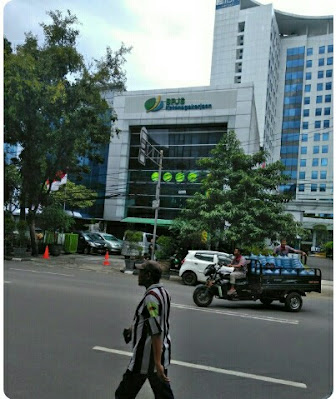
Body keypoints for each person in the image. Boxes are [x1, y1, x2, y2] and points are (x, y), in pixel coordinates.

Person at [115, 260, 175, 399]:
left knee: (123, 395)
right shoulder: (163, 292)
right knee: (163, 395)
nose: (138, 274)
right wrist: (133, 329)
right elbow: (152, 319)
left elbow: (155, 329)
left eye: (141, 272)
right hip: (157, 354)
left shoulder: (151, 298)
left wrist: (158, 364)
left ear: (148, 275)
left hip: (147, 358)